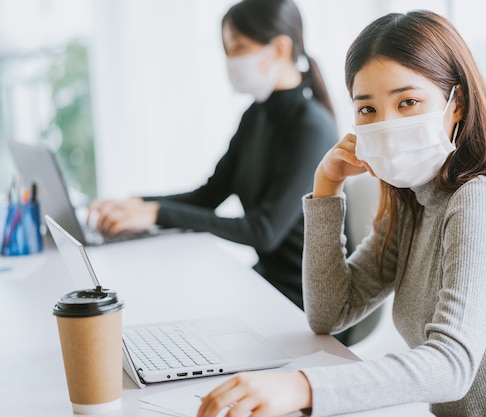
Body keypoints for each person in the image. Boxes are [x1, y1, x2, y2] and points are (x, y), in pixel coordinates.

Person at [196, 10, 486, 417]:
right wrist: (327, 190)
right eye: (367, 109)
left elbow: (450, 366)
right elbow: (330, 315)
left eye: (408, 102)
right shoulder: (413, 200)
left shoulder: (482, 201)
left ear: (456, 105)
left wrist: (304, 387)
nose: (386, 124)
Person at [88, 0, 337, 309]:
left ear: (280, 48)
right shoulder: (256, 115)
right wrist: (138, 204)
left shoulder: (312, 127)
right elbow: (209, 195)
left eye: (238, 47)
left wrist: (156, 214)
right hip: (265, 285)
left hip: (307, 302)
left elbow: (264, 231)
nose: (230, 60)